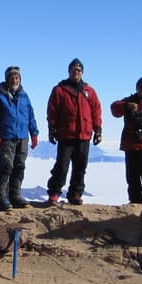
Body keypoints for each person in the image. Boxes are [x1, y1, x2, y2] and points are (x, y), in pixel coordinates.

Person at [45, 58, 102, 206]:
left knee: (80, 167)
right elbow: (52, 110)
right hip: (66, 134)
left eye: (79, 70)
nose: (76, 72)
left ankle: (75, 194)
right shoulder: (60, 90)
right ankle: (54, 193)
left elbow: (96, 111)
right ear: (69, 71)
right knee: (61, 166)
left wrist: (98, 130)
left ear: (82, 72)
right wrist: (52, 128)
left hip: (84, 135)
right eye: (74, 70)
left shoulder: (89, 91)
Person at [0, 66, 39, 211]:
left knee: (19, 166)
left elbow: (30, 116)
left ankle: (15, 196)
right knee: (6, 166)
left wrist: (34, 133)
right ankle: (1, 198)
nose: (15, 80)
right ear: (7, 79)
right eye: (12, 77)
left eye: (17, 77)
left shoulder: (24, 96)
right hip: (6, 136)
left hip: (22, 136)